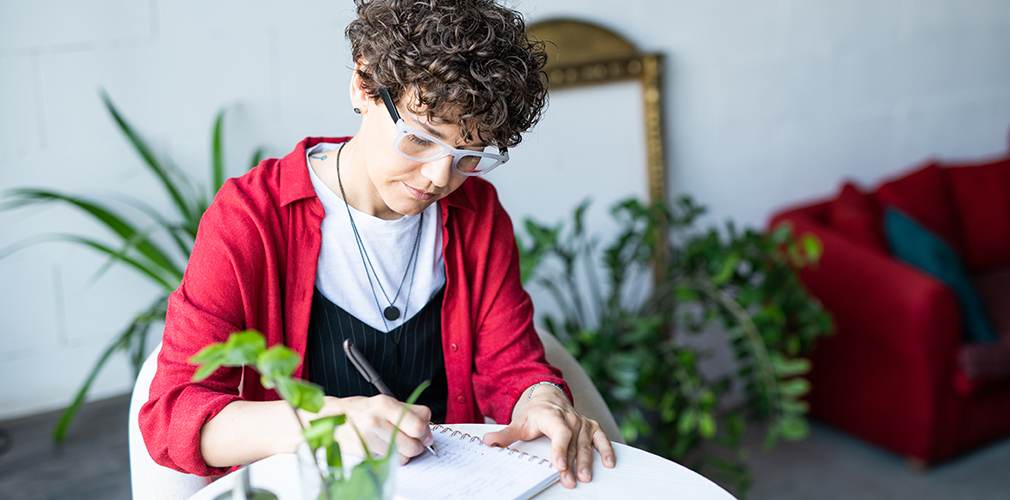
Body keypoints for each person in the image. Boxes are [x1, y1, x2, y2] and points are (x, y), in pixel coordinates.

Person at [139, 0, 615, 489]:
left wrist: (540, 398)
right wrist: (325, 421)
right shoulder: (252, 218)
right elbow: (171, 415)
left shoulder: (477, 214)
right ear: (363, 86)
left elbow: (510, 364)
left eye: (468, 155)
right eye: (420, 139)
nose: (438, 178)